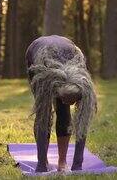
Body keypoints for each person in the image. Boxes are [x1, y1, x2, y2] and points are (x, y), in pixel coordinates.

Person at [25, 35, 97, 172]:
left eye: (71, 102)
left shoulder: (84, 88)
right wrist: (40, 167)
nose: (67, 103)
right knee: (44, 113)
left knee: (64, 113)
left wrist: (77, 166)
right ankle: (43, 160)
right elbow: (41, 118)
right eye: (64, 99)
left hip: (66, 52)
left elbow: (82, 126)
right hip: (37, 52)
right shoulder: (43, 74)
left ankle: (62, 161)